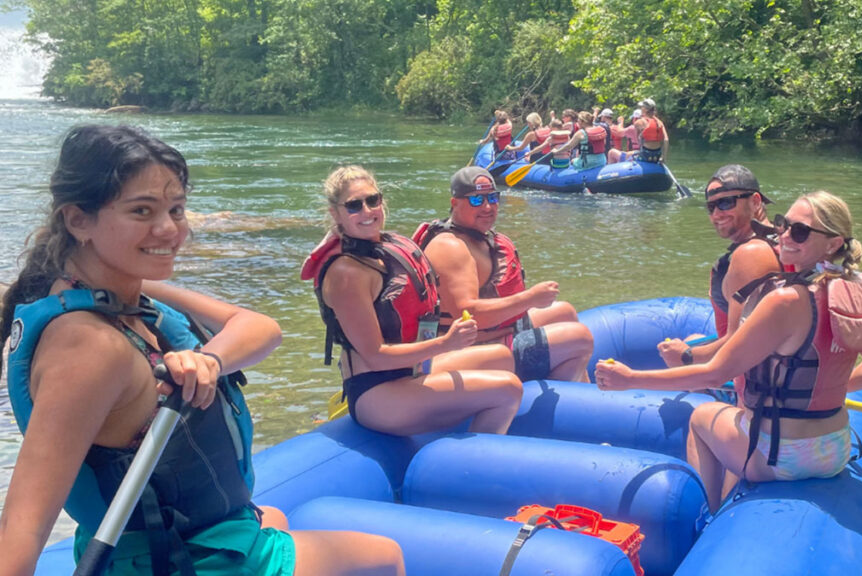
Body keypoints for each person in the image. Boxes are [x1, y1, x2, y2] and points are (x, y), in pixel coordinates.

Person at [0, 125, 405, 575]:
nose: (169, 229)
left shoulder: (121, 294)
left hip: (183, 539)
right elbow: (24, 525)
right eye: (142, 211)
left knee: (274, 517)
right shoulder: (88, 346)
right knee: (383, 558)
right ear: (78, 220)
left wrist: (210, 358)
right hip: (178, 561)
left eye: (176, 209)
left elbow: (261, 328)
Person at [595, 191, 862, 512]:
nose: (784, 235)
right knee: (737, 417)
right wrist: (828, 391)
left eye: (800, 232)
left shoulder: (787, 301)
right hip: (834, 450)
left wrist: (629, 379)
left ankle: (709, 517)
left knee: (701, 417)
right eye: (783, 225)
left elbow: (716, 373)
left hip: (784, 457)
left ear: (834, 243)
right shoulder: (854, 294)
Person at [301, 165, 522, 436]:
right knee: (507, 389)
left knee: (501, 356)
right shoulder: (348, 274)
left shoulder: (383, 247)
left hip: (411, 371)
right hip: (377, 392)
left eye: (373, 200)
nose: (368, 211)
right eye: (354, 206)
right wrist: (445, 343)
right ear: (336, 213)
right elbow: (375, 356)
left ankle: (463, 432)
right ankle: (471, 471)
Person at [415, 167, 594, 383]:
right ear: (455, 203)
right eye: (476, 200)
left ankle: (586, 391)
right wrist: (530, 299)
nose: (488, 207)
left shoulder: (475, 237)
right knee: (579, 339)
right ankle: (558, 411)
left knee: (564, 311)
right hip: (465, 350)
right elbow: (468, 314)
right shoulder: (450, 248)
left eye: (493, 197)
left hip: (495, 333)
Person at [658, 165, 782, 375]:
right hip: (768, 361)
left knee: (677, 357)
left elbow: (740, 344)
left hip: (752, 377)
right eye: (711, 207)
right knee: (692, 340)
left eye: (725, 203)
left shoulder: (751, 255)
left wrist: (686, 356)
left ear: (755, 201)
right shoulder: (780, 240)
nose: (716, 214)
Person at [632, 98, 669, 163]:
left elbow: (638, 141)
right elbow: (666, 140)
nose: (641, 108)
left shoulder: (639, 122)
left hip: (646, 154)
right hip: (657, 154)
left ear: (645, 109)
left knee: (631, 156)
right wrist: (663, 157)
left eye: (642, 107)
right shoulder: (660, 123)